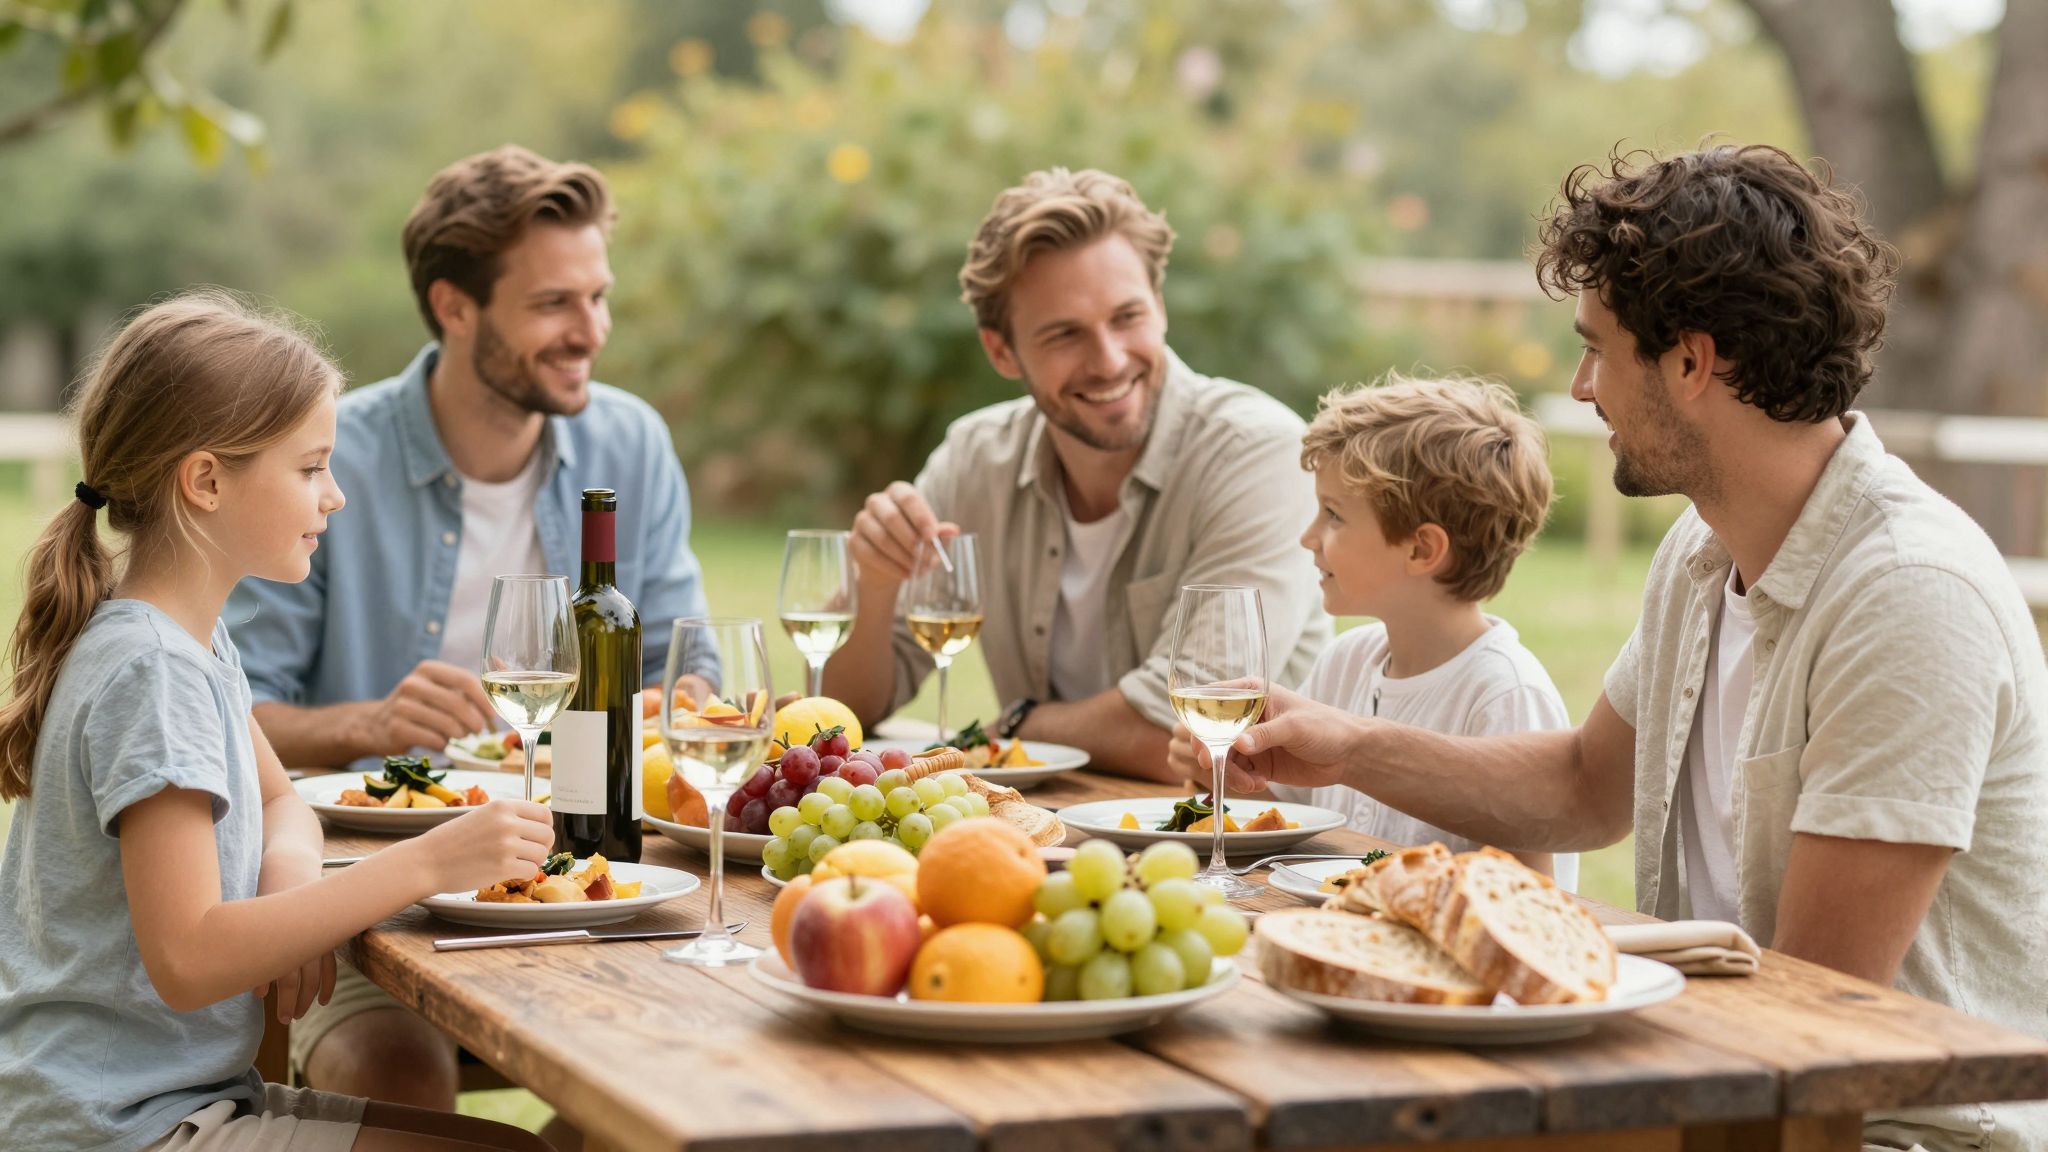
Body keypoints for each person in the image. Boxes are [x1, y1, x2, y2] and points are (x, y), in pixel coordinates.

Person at [1219, 144, 2048, 1151]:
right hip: (1708, 1081)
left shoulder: (1906, 598)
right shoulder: (1701, 548)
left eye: (1595, 350)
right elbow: (1581, 786)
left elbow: (1814, 1017)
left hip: (1883, 1129)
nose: (1577, 388)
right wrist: (1347, 746)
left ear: (1690, 364)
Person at [0, 291, 555, 1152]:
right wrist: (433, 859)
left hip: (164, 1104)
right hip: (117, 1129)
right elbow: (187, 959)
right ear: (207, 481)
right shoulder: (153, 671)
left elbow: (285, 803)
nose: (333, 498)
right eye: (310, 468)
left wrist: (294, 892)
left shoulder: (187, 637)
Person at [225, 146, 711, 1127]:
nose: (590, 333)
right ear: (454, 307)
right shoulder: (325, 457)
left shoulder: (629, 445)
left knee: (661, 1089)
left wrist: (670, 704)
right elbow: (231, 717)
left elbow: (688, 670)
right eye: (553, 306)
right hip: (385, 902)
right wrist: (368, 722)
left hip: (594, 872)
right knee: (398, 1078)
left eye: (597, 298)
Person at [824, 168, 1330, 780]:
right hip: (1052, 838)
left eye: (1127, 317)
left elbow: (1193, 731)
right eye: (1065, 334)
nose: (1110, 361)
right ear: (1001, 351)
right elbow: (843, 714)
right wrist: (875, 589)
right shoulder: (975, 459)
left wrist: (1013, 727)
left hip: (1245, 855)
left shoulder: (1260, 455)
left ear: (1160, 307)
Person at [1172, 374, 1575, 887]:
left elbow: (1535, 891)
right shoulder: (1346, 660)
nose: (1308, 537)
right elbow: (1293, 821)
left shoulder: (1503, 694)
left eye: (1333, 515)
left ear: (1421, 549)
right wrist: (1225, 770)